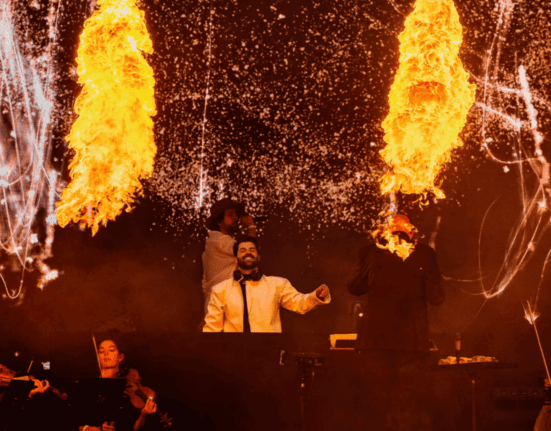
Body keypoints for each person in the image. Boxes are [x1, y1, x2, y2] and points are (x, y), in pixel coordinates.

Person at [347, 214, 445, 430]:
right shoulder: (425, 254)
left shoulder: (370, 251)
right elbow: (437, 298)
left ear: (386, 232)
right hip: (411, 344)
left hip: (375, 342)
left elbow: (355, 287)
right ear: (411, 233)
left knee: (375, 405)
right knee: (407, 406)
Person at [203, 236, 330, 332]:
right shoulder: (220, 289)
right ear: (236, 257)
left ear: (258, 256)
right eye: (242, 250)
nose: (247, 252)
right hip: (232, 351)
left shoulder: (278, 284)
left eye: (252, 249)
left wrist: (316, 296)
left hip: (269, 350)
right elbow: (212, 328)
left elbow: (299, 304)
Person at [78, 339, 157, 431]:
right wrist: (91, 429)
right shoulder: (88, 386)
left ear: (120, 357)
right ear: (98, 357)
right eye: (101, 351)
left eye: (111, 350)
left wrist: (143, 414)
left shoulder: (124, 392)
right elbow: (71, 423)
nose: (106, 354)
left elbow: (133, 428)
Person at [202, 198, 257, 315]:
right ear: (219, 221)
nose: (236, 218)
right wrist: (251, 227)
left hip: (221, 303)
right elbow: (250, 252)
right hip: (221, 304)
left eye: (236, 214)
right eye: (230, 215)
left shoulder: (219, 241)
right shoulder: (219, 240)